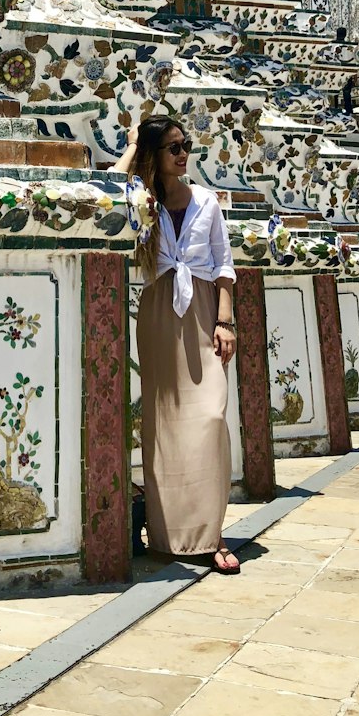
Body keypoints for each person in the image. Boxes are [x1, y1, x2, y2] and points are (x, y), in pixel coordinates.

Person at [115, 116, 240, 572]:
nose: (183, 153)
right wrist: (131, 148)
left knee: (210, 418)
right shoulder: (142, 200)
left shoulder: (207, 200)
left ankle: (212, 532)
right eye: (172, 147)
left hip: (204, 310)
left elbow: (224, 264)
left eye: (185, 145)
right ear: (155, 154)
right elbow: (105, 190)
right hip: (158, 312)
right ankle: (170, 536)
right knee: (164, 424)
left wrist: (224, 323)